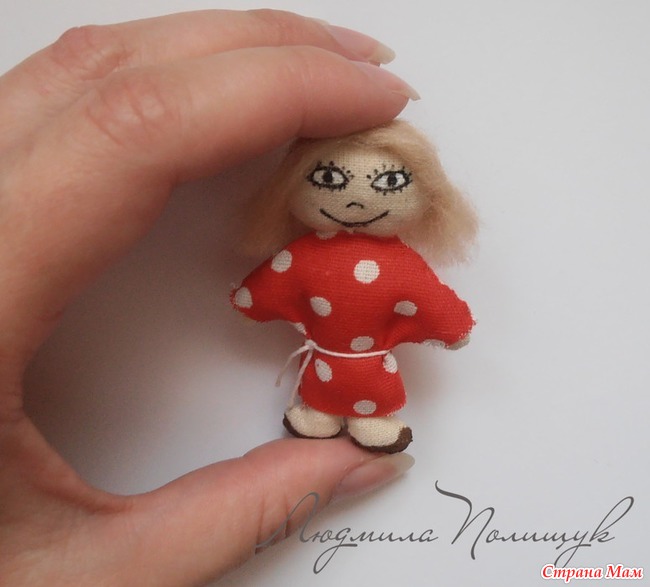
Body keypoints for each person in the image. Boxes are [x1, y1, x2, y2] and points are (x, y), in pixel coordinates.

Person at [0, 9, 419, 585]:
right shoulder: (304, 256)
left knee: (372, 391)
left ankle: (373, 418)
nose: (355, 199)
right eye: (328, 179)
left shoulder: (401, 263)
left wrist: (451, 326)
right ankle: (319, 416)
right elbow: (273, 283)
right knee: (320, 395)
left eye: (390, 182)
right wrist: (252, 300)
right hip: (321, 362)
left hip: (373, 365)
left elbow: (429, 298)